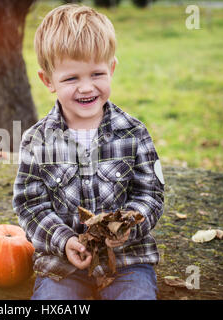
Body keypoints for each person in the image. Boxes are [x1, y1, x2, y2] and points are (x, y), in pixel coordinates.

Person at [12, 3, 165, 300]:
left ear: (112, 69)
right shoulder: (37, 141)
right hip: (63, 264)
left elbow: (151, 194)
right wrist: (64, 240)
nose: (86, 88)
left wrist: (128, 227)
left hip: (127, 261)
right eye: (71, 78)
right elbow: (30, 205)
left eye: (96, 74)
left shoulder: (134, 134)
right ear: (48, 81)